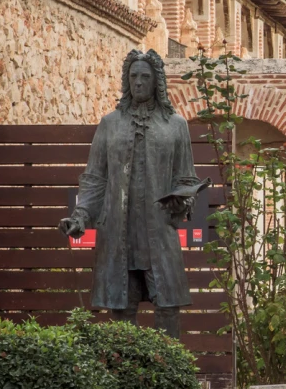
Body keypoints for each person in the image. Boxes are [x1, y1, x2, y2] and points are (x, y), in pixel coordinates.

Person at [59, 49, 201, 338]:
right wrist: (81, 216)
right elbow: (95, 178)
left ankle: (167, 373)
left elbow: (186, 177)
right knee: (122, 307)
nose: (138, 82)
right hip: (119, 231)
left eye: (145, 77)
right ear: (127, 80)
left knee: (168, 305)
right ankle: (125, 374)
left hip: (159, 230)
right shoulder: (110, 124)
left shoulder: (176, 126)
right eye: (133, 76)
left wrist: (184, 198)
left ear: (156, 81)